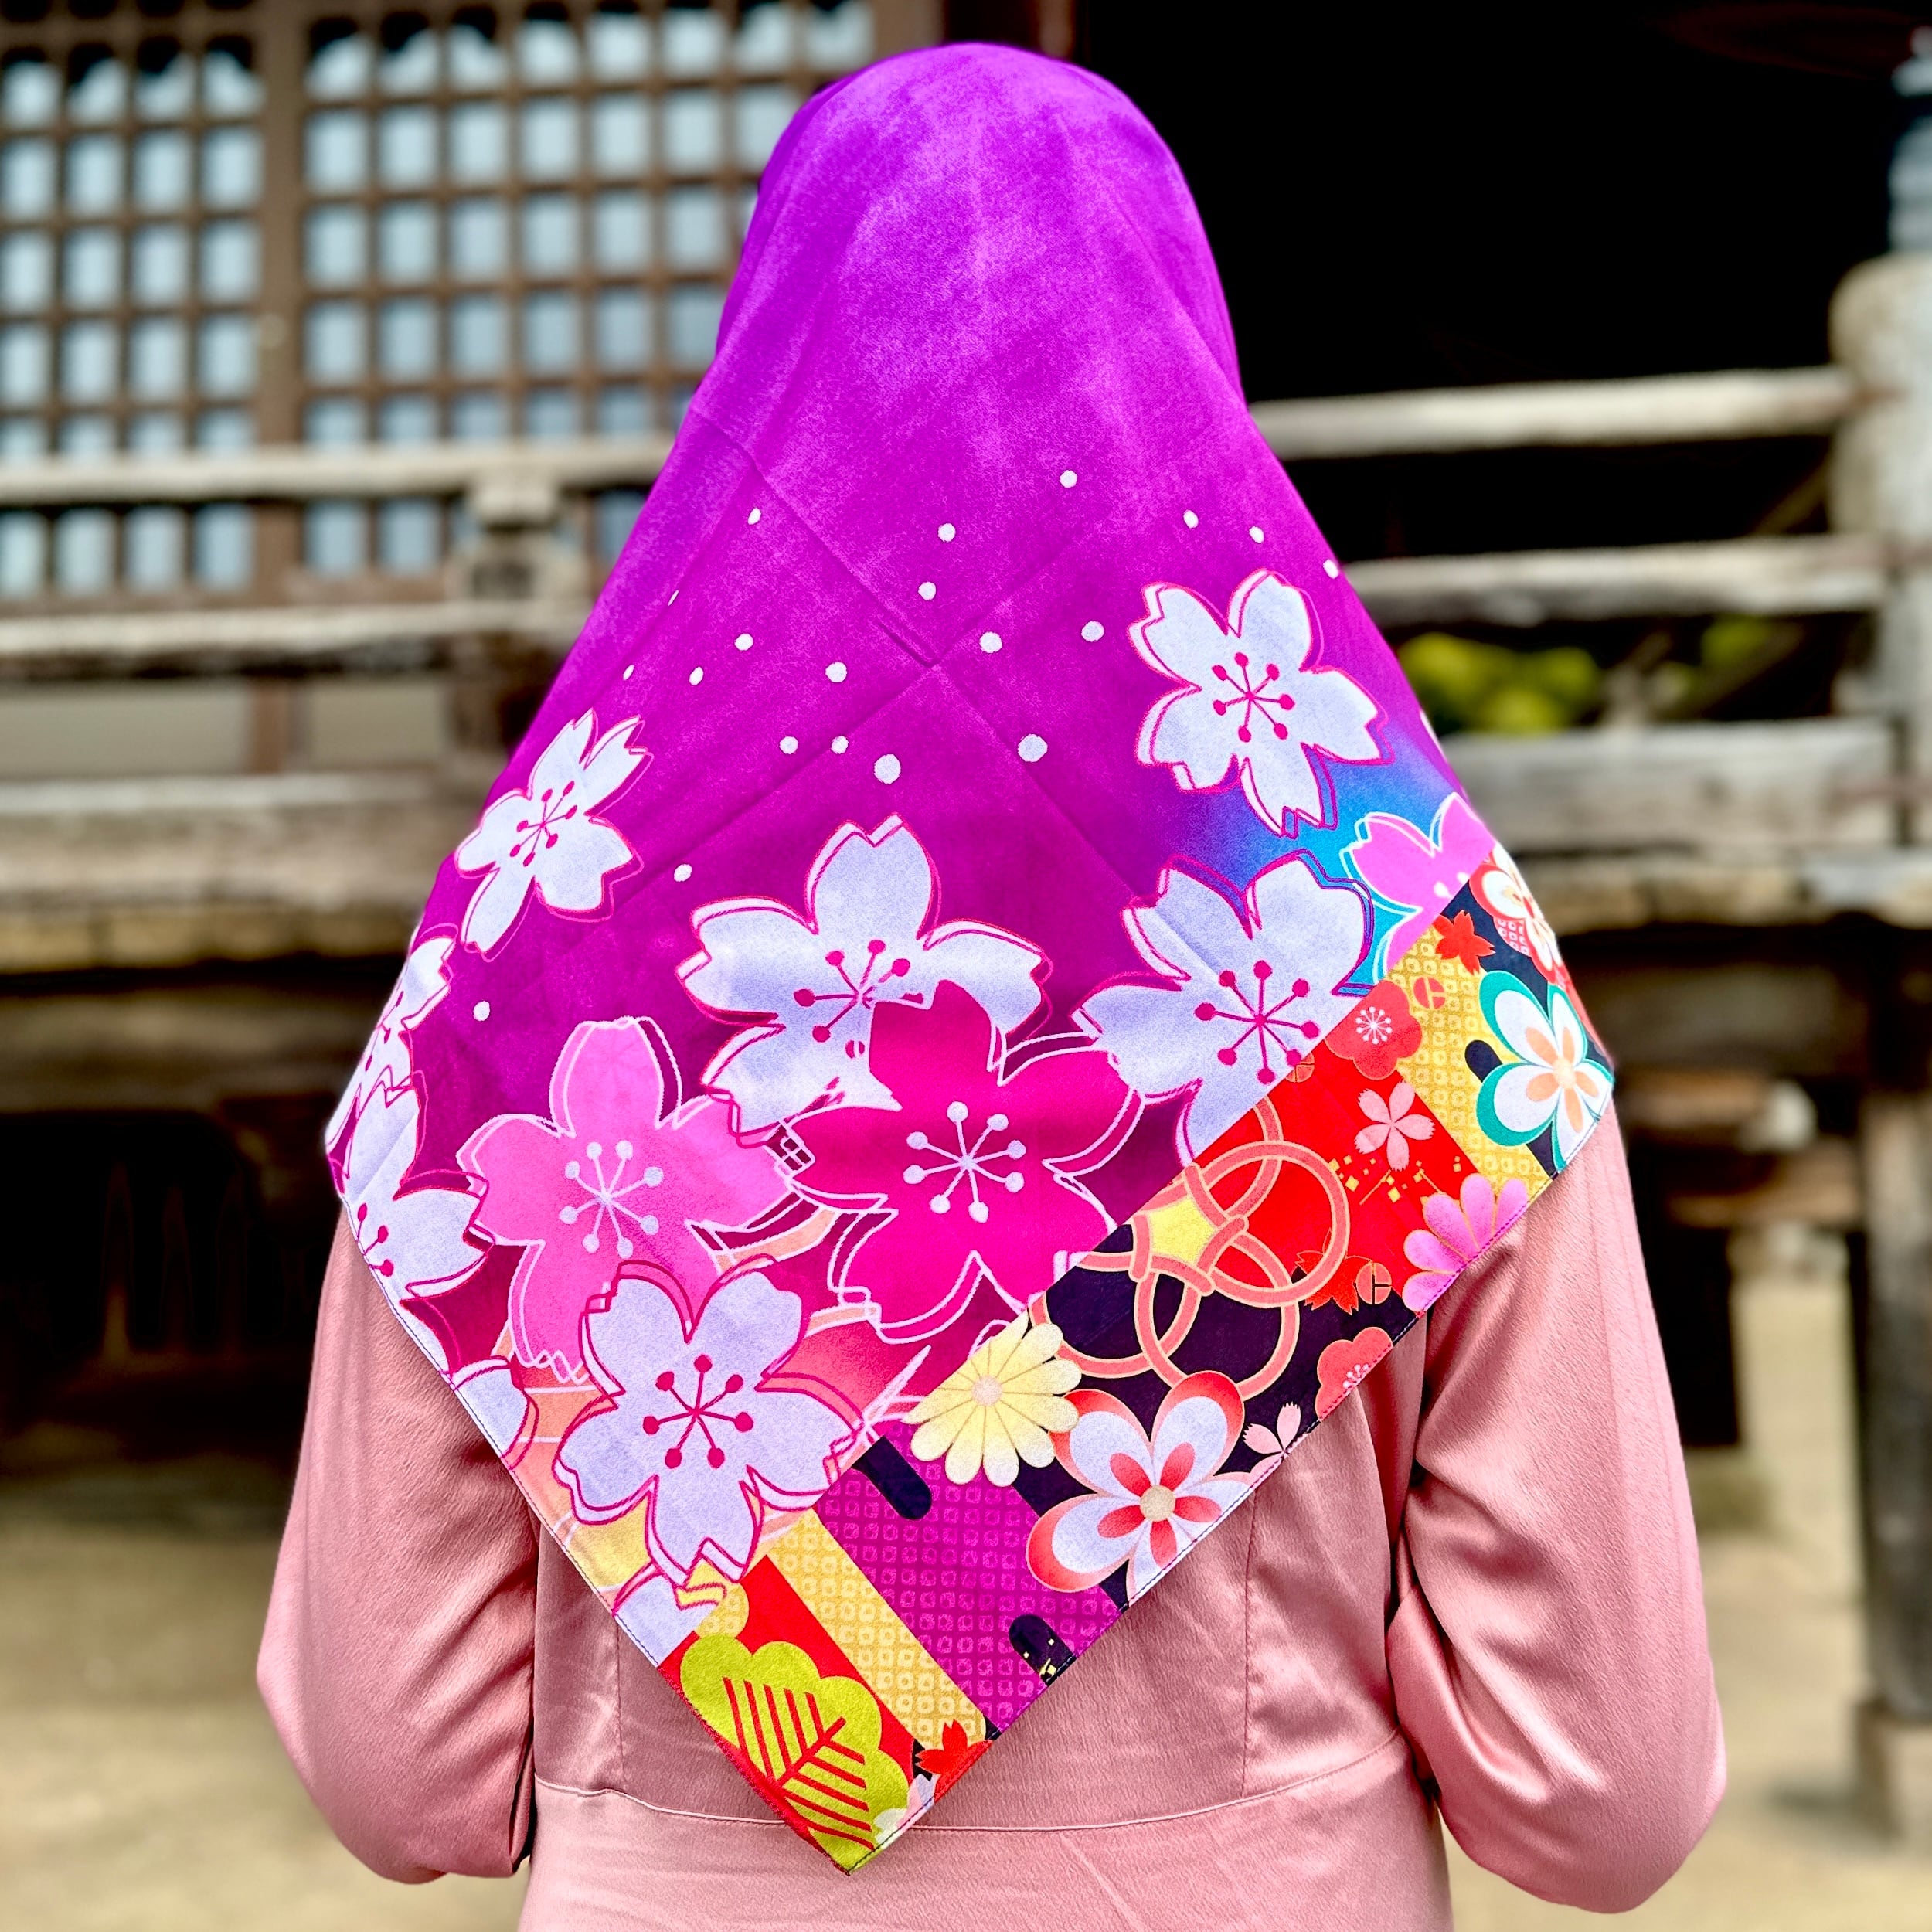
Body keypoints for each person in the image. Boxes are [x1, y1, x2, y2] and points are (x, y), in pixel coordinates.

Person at [260, 43, 1723, 1930]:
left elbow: (398, 1763)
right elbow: (1600, 1792)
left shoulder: (522, 976)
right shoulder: (1410, 970)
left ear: (760, 389)